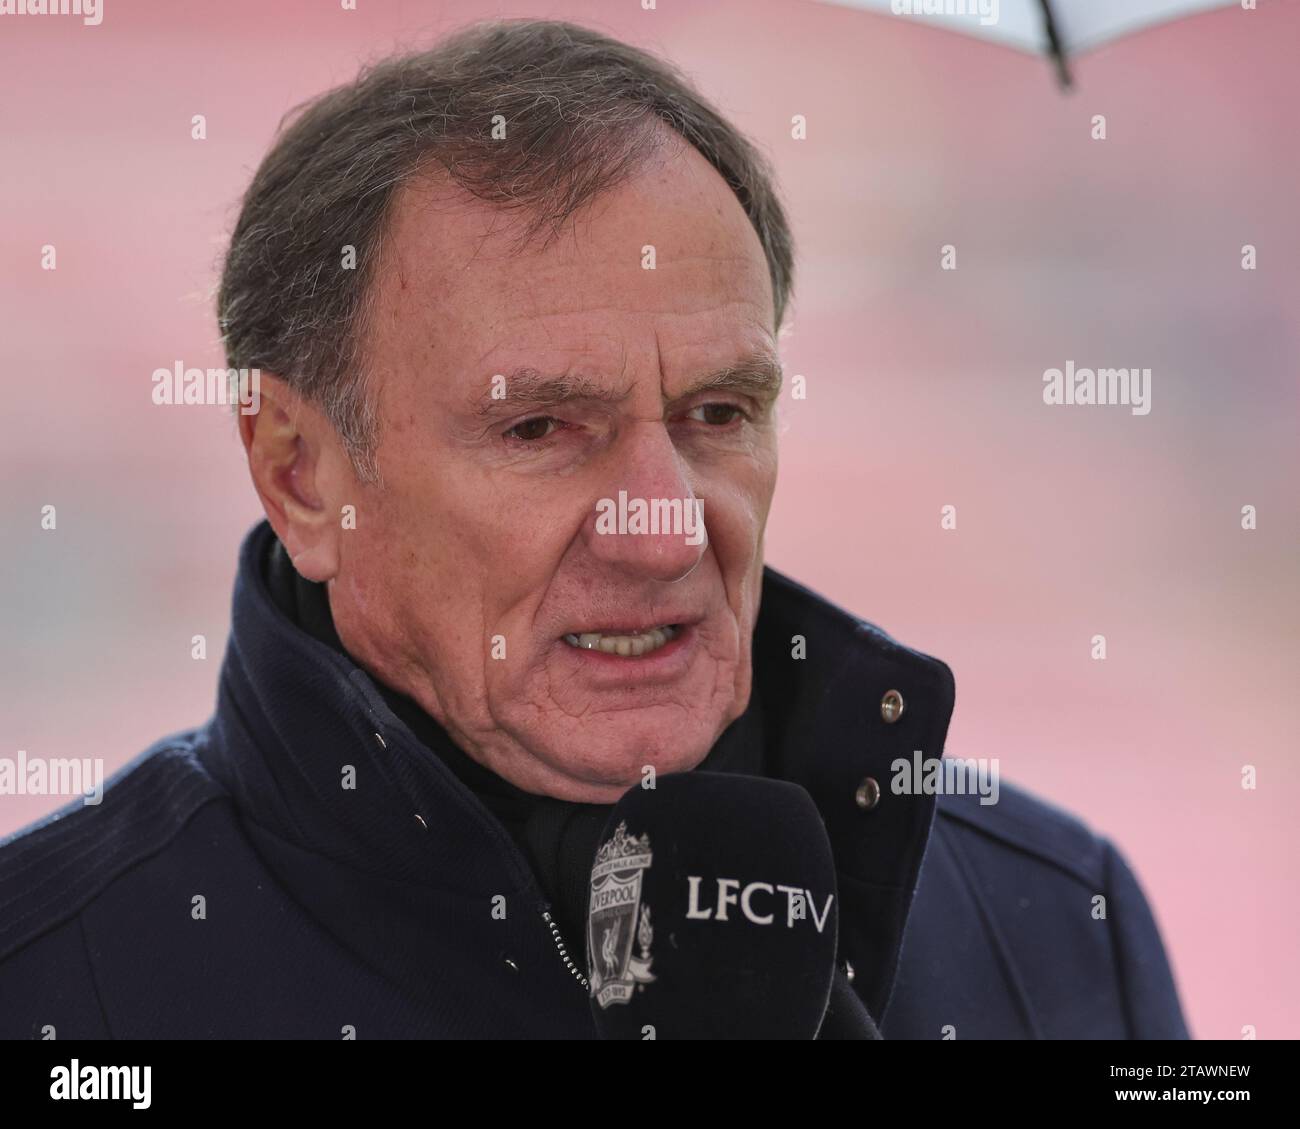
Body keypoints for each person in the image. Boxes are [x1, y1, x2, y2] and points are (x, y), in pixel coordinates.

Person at [0, 18, 1187, 1039]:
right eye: (540, 429)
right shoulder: (46, 975)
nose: (662, 530)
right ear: (301, 475)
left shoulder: (1058, 921)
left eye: (718, 413)